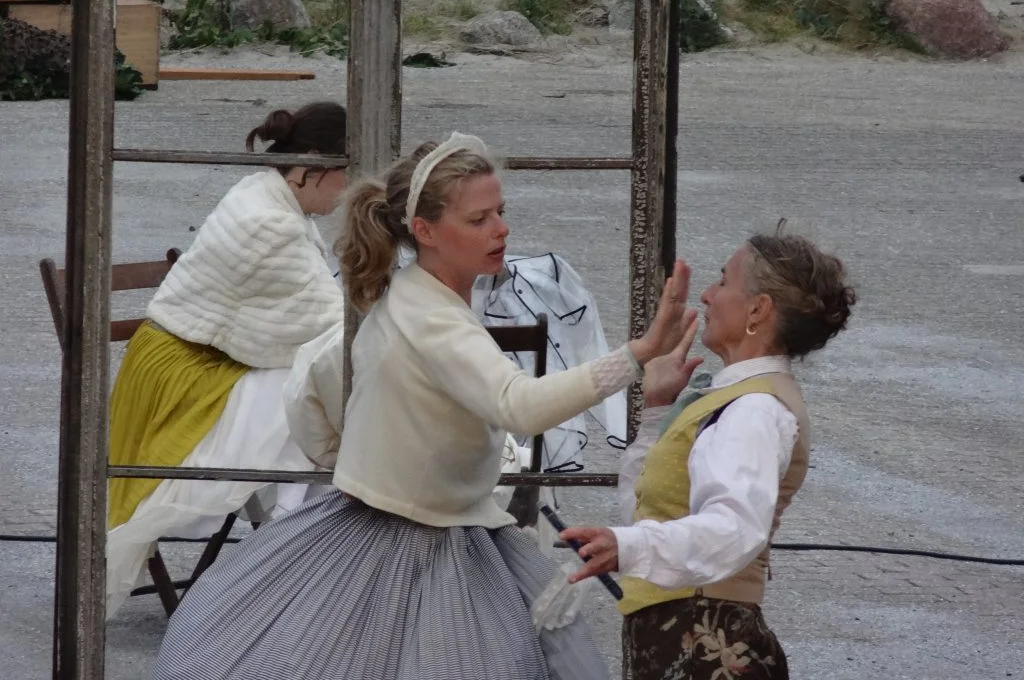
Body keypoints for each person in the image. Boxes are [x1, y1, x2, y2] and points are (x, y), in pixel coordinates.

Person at [149, 132, 693, 680]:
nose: (500, 229)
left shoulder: (412, 293)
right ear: (426, 231)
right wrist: (636, 356)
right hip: (404, 538)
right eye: (479, 220)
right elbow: (519, 406)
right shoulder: (431, 318)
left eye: (500, 213)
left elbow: (322, 398)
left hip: (412, 526)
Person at [561, 224, 856, 680]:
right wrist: (658, 409)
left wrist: (629, 545)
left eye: (721, 281)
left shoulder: (754, 408)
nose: (705, 295)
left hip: (708, 643)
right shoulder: (731, 400)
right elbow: (650, 509)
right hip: (680, 636)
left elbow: (736, 527)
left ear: (758, 309)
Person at [105, 101, 348, 617]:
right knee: (307, 400)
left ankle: (292, 544)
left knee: (310, 391)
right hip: (181, 376)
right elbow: (331, 325)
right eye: (345, 174)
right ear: (312, 171)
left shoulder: (267, 192)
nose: (348, 189)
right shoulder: (270, 223)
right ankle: (290, 553)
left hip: (188, 358)